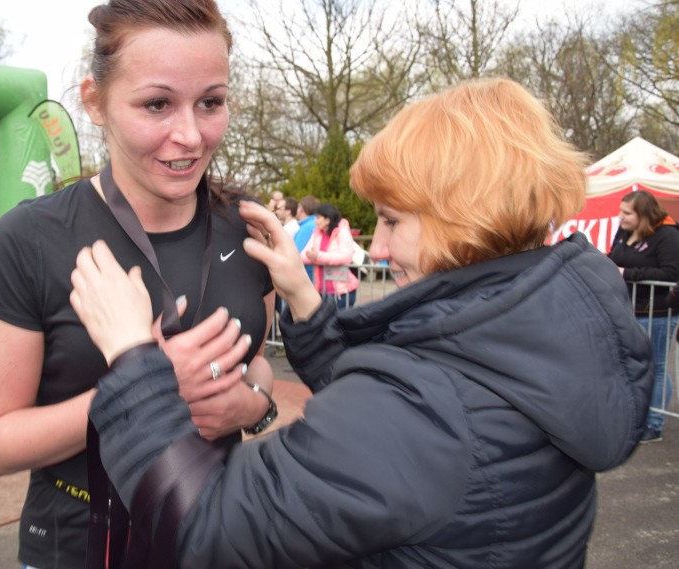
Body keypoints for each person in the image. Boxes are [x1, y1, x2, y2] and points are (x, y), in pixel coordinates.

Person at [71, 78, 653, 568]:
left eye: (393, 221)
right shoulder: (545, 324)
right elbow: (391, 406)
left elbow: (205, 531)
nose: (381, 248)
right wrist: (302, 296)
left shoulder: (423, 414)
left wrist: (131, 356)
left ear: (463, 219)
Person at [0, 2, 276, 568]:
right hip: (82, 544)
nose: (189, 135)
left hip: (223, 531)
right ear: (94, 102)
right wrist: (145, 389)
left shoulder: (247, 225)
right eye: (157, 104)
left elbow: (254, 366)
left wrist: (255, 407)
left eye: (211, 102)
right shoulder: (27, 239)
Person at [607, 190, 679, 443]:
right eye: (620, 211)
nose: (621, 217)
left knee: (656, 367)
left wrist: (627, 273)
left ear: (643, 215)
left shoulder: (668, 236)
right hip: (627, 310)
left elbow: (672, 273)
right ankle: (632, 418)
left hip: (657, 313)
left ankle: (654, 423)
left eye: (627, 213)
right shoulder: (624, 232)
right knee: (627, 365)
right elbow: (612, 259)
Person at [300, 202, 360, 309]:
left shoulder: (342, 232)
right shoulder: (317, 233)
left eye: (318, 218)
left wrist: (318, 257)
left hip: (342, 292)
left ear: (327, 219)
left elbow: (346, 257)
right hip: (322, 291)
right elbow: (303, 255)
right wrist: (318, 257)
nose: (315, 221)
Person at [293, 194, 320, 281]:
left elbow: (296, 252)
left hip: (307, 276)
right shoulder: (313, 224)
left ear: (301, 208)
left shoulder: (307, 227)